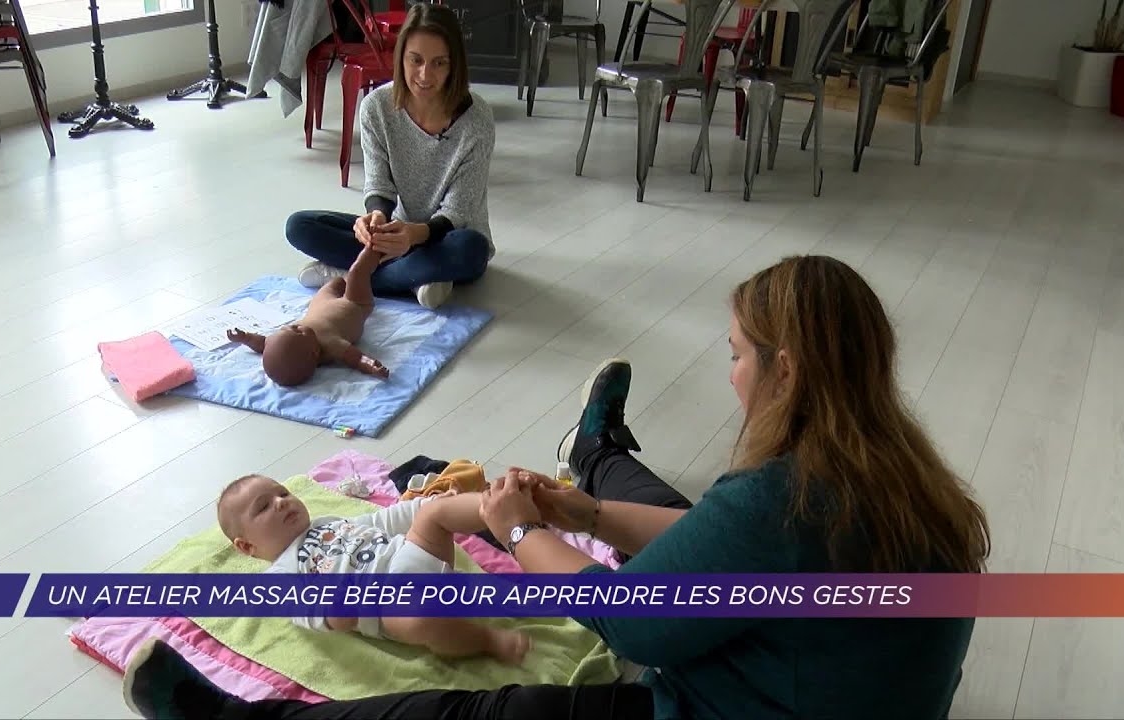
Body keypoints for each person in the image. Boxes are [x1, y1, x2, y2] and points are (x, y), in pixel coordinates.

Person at [122, 255, 991, 720]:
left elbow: (628, 620)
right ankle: (598, 454)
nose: (729, 374)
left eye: (734, 354)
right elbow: (721, 546)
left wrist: (513, 530)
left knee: (477, 716)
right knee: (655, 512)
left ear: (787, 370)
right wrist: (581, 514)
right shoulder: (898, 472)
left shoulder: (782, 497)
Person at [285, 3, 495, 311]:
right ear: (402, 58)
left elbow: (458, 211)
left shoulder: (477, 120)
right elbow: (379, 185)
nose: (425, 75)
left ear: (454, 65)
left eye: (439, 63)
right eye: (416, 60)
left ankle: (349, 275)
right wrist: (376, 219)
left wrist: (416, 234)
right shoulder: (376, 107)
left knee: (470, 249)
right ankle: (415, 280)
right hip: (398, 233)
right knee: (299, 226)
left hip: (448, 235)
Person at [214, 474, 530, 664]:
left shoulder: (328, 522)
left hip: (413, 558)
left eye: (282, 493)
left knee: (435, 513)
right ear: (246, 546)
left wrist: (424, 505)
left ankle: (504, 510)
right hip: (393, 607)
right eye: (264, 507)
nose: (281, 502)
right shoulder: (279, 577)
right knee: (418, 620)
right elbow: (311, 612)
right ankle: (484, 640)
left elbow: (384, 521)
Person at [227, 246, 390, 387]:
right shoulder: (330, 345)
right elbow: (356, 358)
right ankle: (375, 248)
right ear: (314, 352)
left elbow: (262, 343)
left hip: (322, 302)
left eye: (287, 328)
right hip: (356, 303)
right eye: (298, 331)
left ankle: (339, 276)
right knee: (357, 273)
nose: (290, 326)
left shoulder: (283, 341)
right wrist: (371, 366)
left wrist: (245, 338)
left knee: (336, 283)